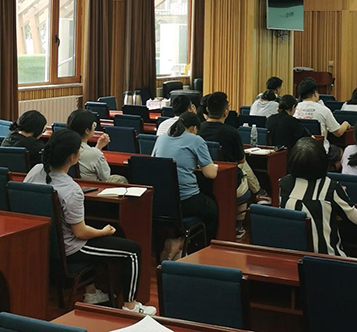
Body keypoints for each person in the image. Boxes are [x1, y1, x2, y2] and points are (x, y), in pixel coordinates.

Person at [25, 129, 156, 314]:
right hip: (71, 249)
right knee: (132, 251)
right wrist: (104, 232)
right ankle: (131, 306)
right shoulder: (71, 189)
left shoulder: (35, 170)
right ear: (72, 157)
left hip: (43, 243)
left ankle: (92, 292)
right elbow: (80, 233)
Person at [199, 92, 272, 238]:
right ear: (226, 112)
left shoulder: (198, 129)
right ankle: (239, 225)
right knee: (243, 174)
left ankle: (260, 192)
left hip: (203, 181)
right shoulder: (231, 132)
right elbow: (241, 160)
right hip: (228, 182)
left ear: (207, 109)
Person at [280, 137, 357, 256]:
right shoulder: (330, 187)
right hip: (327, 258)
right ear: (322, 161)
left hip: (292, 255)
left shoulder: (283, 183)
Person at [152, 112, 219, 250]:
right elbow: (210, 174)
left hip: (161, 201)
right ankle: (197, 248)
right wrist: (214, 166)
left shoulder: (161, 138)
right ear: (194, 128)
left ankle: (178, 240)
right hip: (186, 200)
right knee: (213, 210)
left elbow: (154, 163)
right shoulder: (196, 140)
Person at [294, 78, 350, 164]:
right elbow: (338, 133)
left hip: (299, 151)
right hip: (319, 151)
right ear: (315, 94)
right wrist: (345, 123)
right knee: (341, 151)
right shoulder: (323, 110)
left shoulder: (295, 108)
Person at [66, 110, 127, 183]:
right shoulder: (95, 154)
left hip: (71, 184)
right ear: (87, 131)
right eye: (94, 124)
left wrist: (98, 147)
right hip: (91, 187)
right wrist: (97, 151)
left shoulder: (65, 147)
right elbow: (106, 177)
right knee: (120, 179)